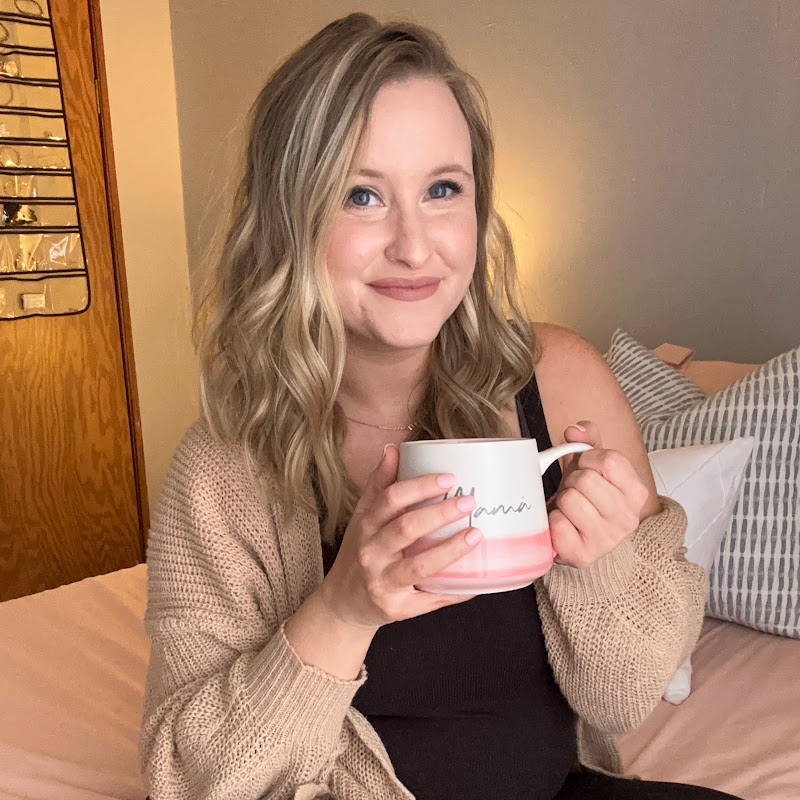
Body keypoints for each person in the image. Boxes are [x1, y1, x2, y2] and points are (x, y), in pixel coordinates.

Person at [139, 13, 742, 800]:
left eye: (442, 190)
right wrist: (341, 611)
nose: (415, 245)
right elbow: (186, 779)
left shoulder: (560, 384)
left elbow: (624, 701)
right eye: (361, 195)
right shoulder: (225, 467)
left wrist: (600, 567)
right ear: (290, 218)